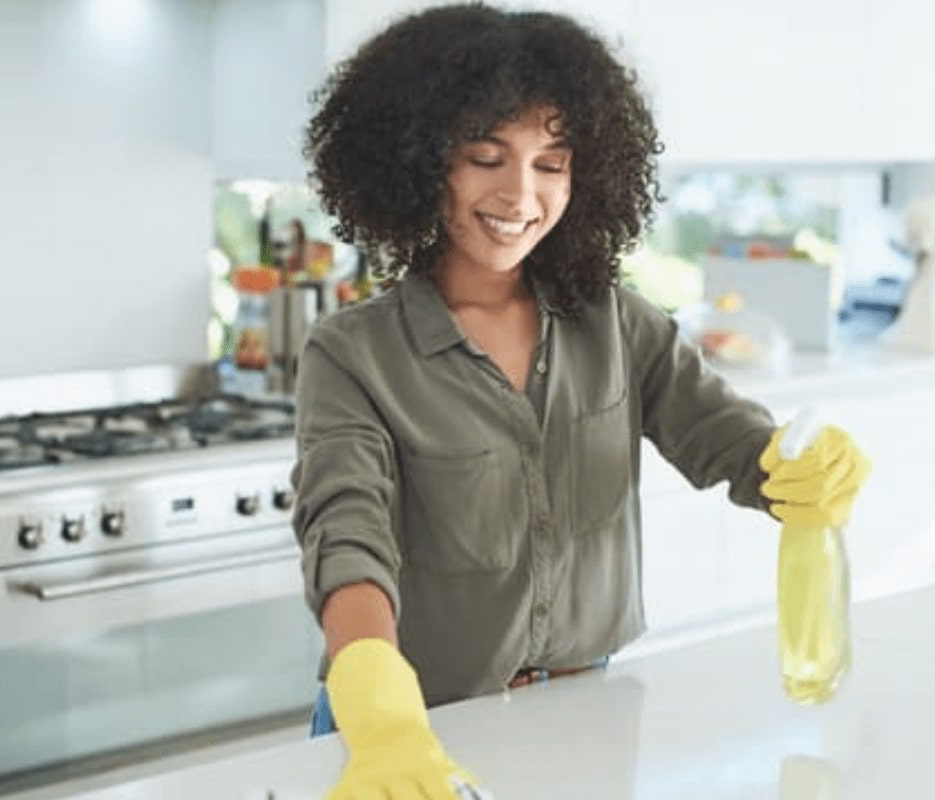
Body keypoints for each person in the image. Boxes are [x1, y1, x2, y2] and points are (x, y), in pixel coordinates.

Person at [291, 5, 871, 798]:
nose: (519, 193)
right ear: (422, 163)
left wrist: (798, 464)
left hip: (585, 713)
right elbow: (347, 537)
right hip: (412, 728)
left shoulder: (616, 323)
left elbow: (732, 444)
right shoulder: (355, 354)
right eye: (484, 157)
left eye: (551, 162)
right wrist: (381, 710)